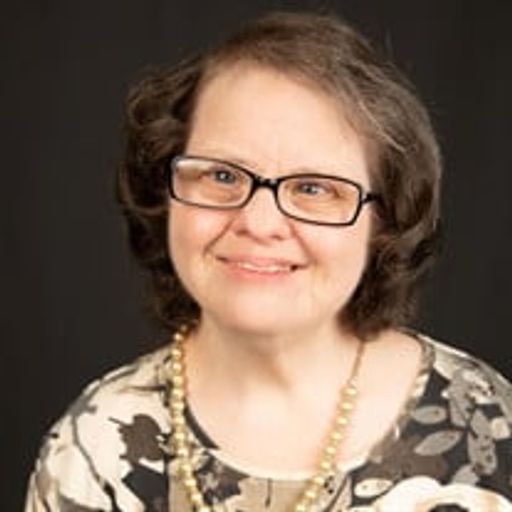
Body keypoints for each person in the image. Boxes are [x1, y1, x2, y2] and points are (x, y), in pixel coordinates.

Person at [24, 11, 512, 512]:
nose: (258, 223)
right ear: (163, 193)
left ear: (384, 221)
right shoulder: (92, 450)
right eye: (221, 176)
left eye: (313, 188)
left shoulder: (488, 425)